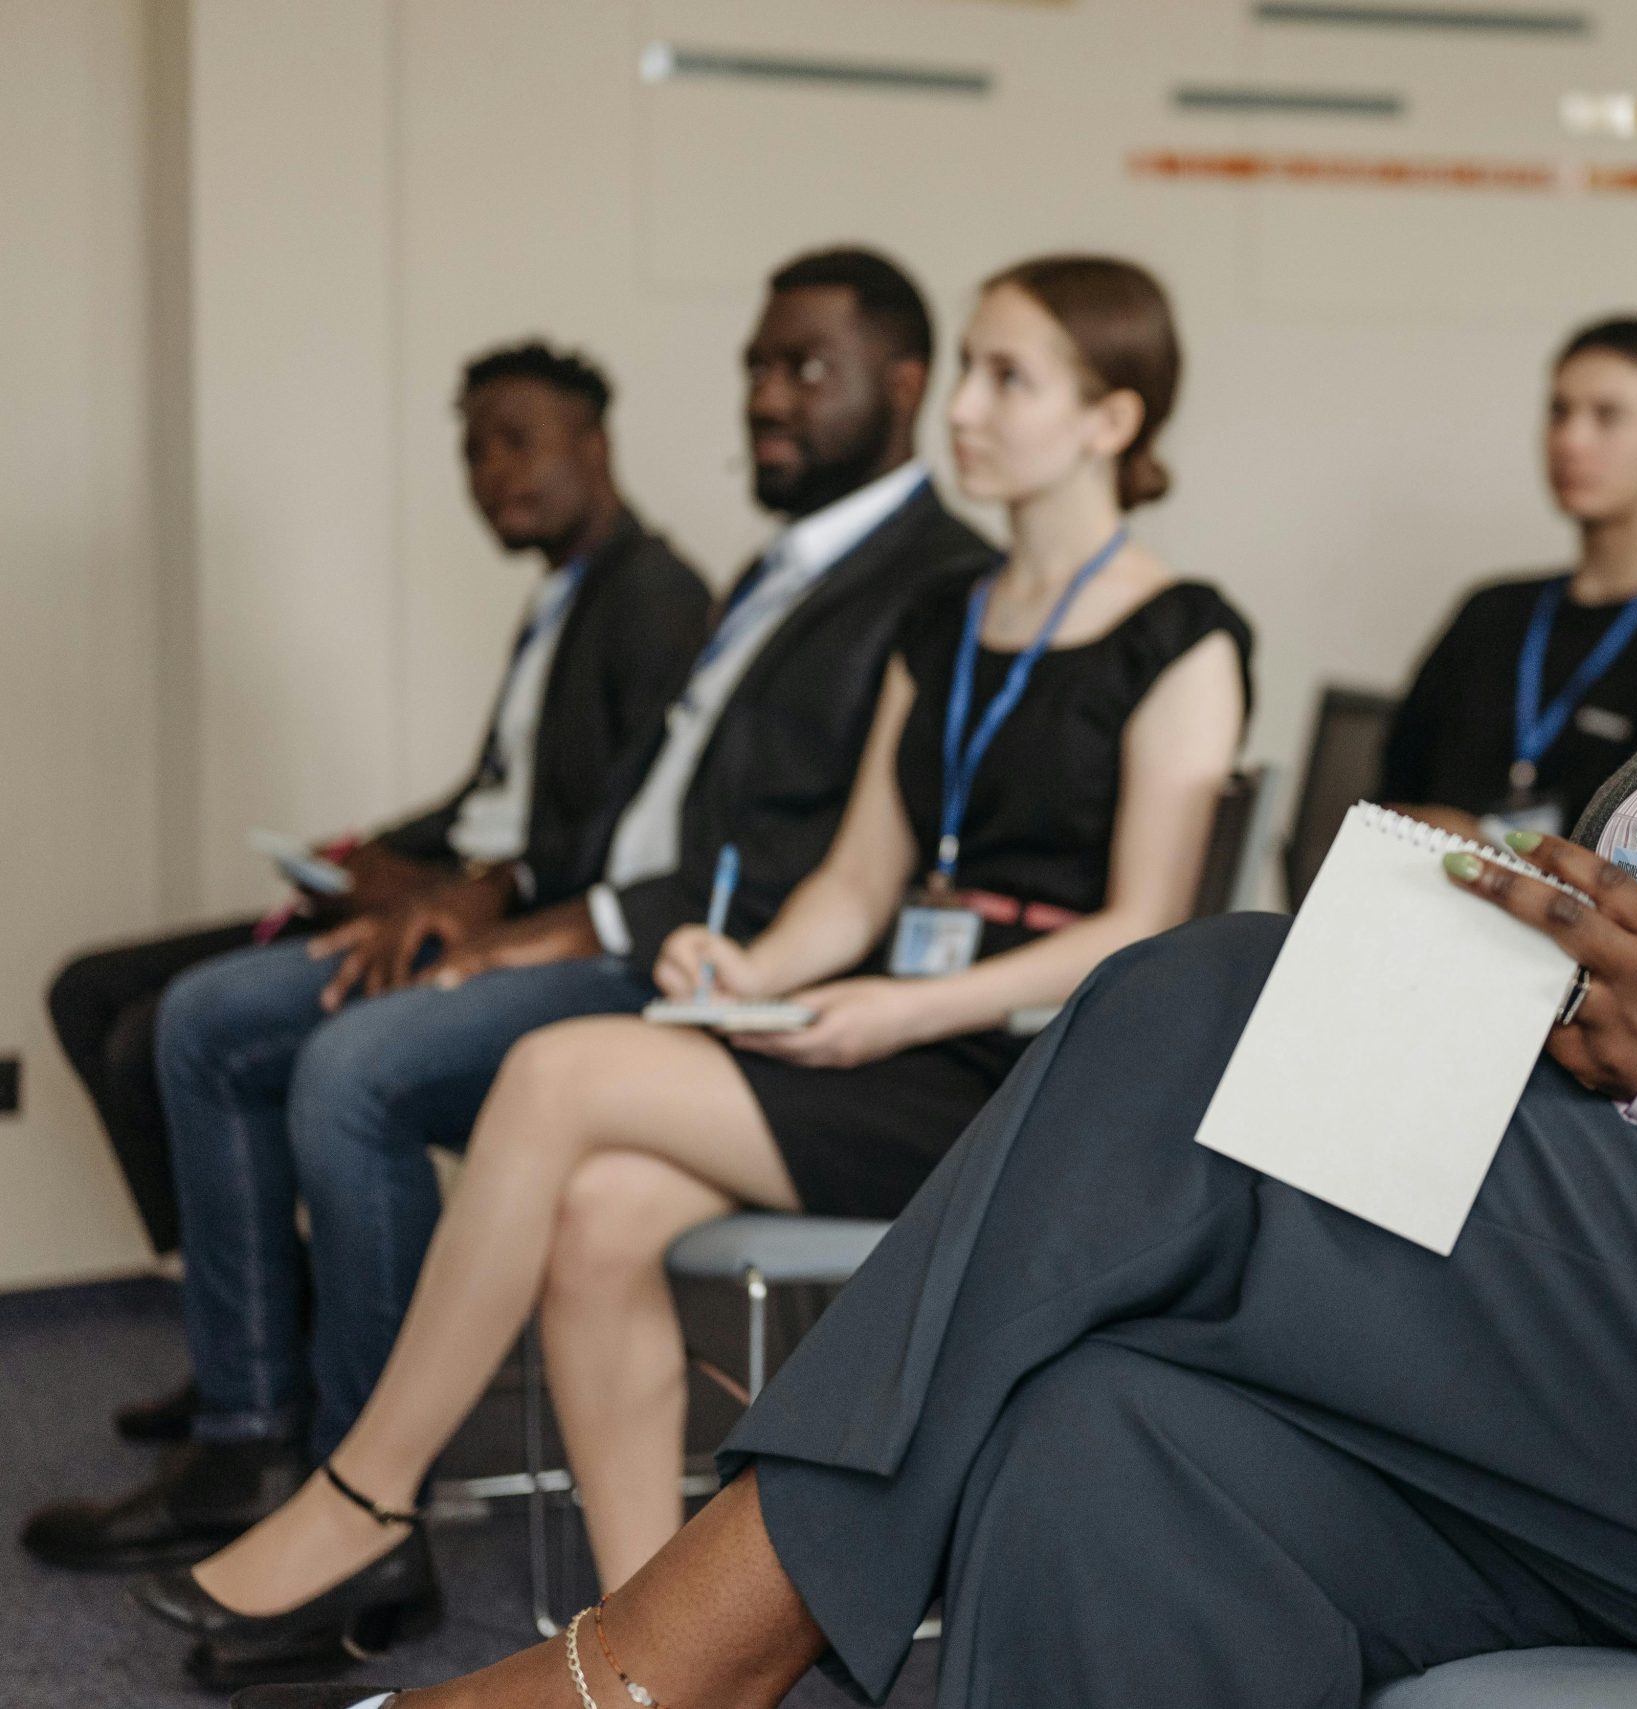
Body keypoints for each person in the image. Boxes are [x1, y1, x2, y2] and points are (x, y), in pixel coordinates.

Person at [232, 87, 1637, 1709]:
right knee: (1107, 1445)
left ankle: (664, 1653)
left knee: (1194, 1001)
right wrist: (1544, 925)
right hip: (1600, 1317)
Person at [144, 254, 1253, 1691]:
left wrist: (901, 1008)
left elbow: (1142, 930)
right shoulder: (945, 623)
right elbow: (857, 884)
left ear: (1113, 418)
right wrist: (746, 964)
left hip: (1033, 1073)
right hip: (890, 1034)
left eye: (1007, 378)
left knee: (549, 1071)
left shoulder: (1185, 634)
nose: (965, 407)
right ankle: (644, 1659)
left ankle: (365, 1498)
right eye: (968, 366)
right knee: (600, 1213)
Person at [18, 248, 993, 1576]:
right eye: (756, 366)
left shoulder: (929, 585)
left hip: (704, 964)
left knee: (344, 1060)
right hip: (629, 922)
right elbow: (616, 811)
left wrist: (540, 926)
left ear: (904, 384)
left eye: (803, 368)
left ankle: (358, 1500)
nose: (765, 396)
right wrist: (478, 898)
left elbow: (790, 859)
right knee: (203, 1018)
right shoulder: (783, 569)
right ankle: (265, 1422)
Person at [38, 340, 708, 1438]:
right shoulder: (560, 599)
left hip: (530, 924)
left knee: (179, 1030)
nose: (493, 473)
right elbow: (497, 791)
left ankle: (257, 1393)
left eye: (517, 442)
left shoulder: (655, 600)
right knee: (90, 992)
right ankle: (255, 1324)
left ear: (593, 446)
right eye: (473, 451)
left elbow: (627, 836)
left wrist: (466, 883)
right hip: (465, 883)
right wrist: (371, 852)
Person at [1380, 317, 1637, 841]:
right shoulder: (1489, 612)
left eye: (1608, 416)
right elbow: (1389, 794)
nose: (1570, 439)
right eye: (1559, 411)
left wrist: (1489, 850)